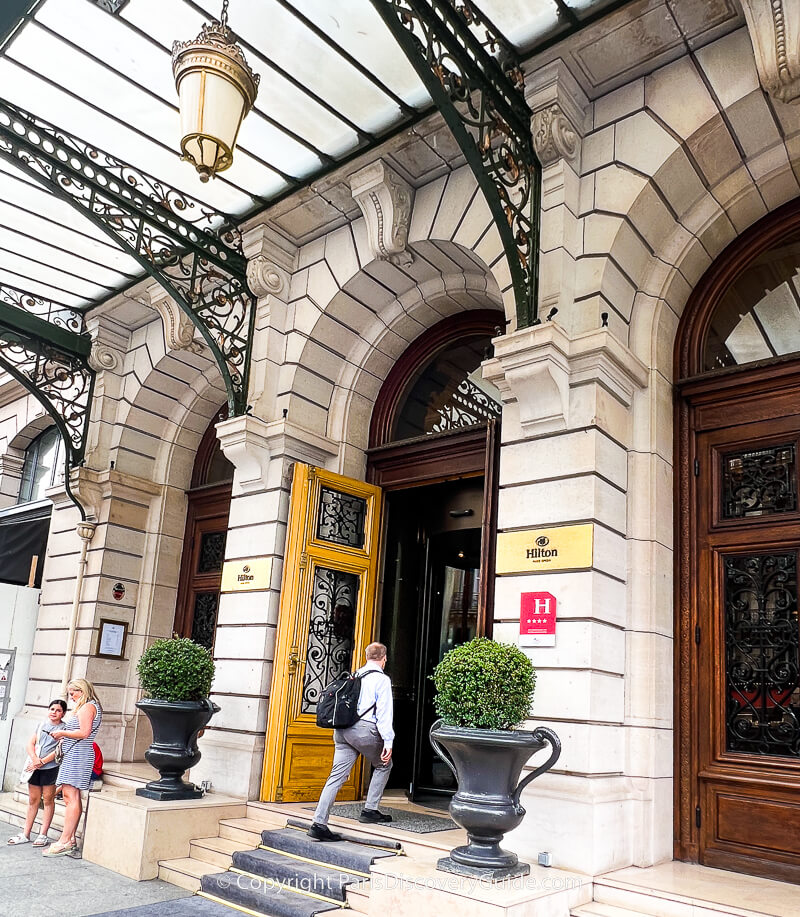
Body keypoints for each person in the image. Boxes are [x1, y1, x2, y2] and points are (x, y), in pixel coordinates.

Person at [309, 642, 394, 841]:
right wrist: (388, 742)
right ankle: (370, 810)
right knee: (384, 764)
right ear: (384, 659)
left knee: (336, 776)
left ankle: (319, 823)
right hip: (363, 731)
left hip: (342, 731)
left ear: (366, 656)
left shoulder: (355, 674)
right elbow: (384, 713)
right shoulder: (381, 679)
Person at [44, 678, 102, 857]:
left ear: (82, 690)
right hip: (77, 753)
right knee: (71, 796)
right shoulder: (91, 706)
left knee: (71, 796)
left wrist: (62, 732)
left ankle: (66, 840)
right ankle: (69, 839)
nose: (72, 697)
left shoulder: (87, 707)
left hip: (79, 754)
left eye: (73, 693)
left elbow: (84, 733)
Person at [6, 699, 68, 847]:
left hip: (50, 768)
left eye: (58, 710)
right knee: (33, 800)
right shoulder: (41, 725)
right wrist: (35, 759)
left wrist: (43, 761)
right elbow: (31, 743)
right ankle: (26, 833)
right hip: (34, 767)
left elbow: (58, 750)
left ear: (63, 713)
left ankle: (43, 834)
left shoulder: (64, 729)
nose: (54, 712)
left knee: (48, 800)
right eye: (52, 709)